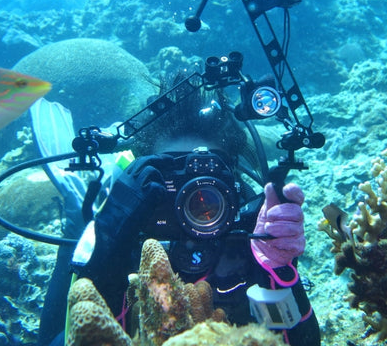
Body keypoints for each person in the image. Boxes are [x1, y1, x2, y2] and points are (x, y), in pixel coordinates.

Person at [39, 72, 321, 346]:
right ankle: (77, 213)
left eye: (207, 177)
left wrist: (278, 274)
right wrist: (106, 257)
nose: (193, 195)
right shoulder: (126, 234)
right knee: (81, 236)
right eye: (169, 175)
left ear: (232, 179)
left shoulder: (250, 233)